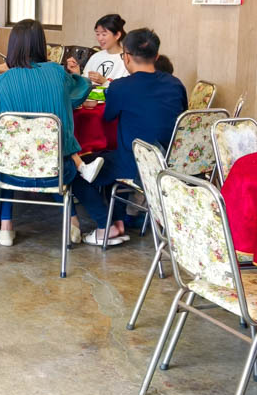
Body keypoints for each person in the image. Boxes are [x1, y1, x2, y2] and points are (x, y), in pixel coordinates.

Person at [0, 19, 91, 246]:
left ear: (13, 46)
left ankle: (5, 227)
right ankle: (72, 223)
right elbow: (81, 90)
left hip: (9, 172)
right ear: (42, 44)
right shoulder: (57, 73)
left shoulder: (1, 81)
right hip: (55, 172)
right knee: (56, 158)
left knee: (6, 158)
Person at [71, 28, 187, 246]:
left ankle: (107, 226)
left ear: (127, 56)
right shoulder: (176, 84)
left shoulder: (120, 87)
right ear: (157, 57)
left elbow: (108, 117)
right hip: (171, 162)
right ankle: (120, 220)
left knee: (75, 169)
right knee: (108, 158)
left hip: (138, 164)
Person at [68, 14, 128, 85]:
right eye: (97, 34)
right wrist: (77, 73)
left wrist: (104, 82)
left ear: (117, 35)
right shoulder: (96, 56)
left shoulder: (127, 59)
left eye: (104, 34)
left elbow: (125, 89)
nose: (100, 39)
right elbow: (84, 85)